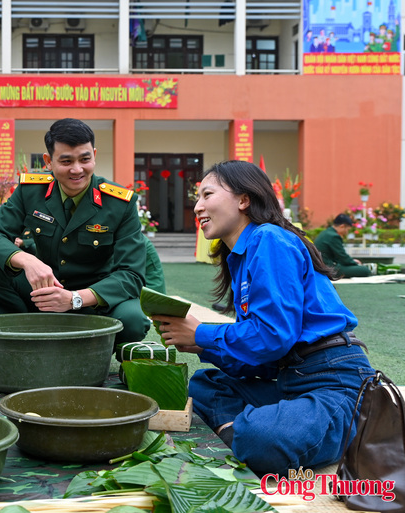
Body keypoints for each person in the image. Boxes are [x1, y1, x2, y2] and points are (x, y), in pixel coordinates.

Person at [154, 160, 374, 476]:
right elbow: (261, 358)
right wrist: (201, 346)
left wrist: (201, 334)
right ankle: (245, 432)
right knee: (203, 386)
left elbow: (273, 337)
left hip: (335, 383)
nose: (198, 206)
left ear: (244, 200)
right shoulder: (239, 256)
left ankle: (258, 435)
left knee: (261, 438)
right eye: (197, 198)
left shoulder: (268, 238)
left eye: (207, 194)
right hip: (290, 377)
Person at [0, 118, 151, 344]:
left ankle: (93, 351)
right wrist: (28, 261)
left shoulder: (120, 203)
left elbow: (132, 274)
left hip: (94, 298)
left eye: (85, 159)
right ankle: (25, 336)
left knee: (133, 319)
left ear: (94, 155)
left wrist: (75, 299)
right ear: (48, 161)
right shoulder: (31, 191)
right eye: (66, 161)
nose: (77, 170)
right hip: (42, 293)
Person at [314, 214, 371, 278]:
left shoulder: (326, 233)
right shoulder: (333, 236)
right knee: (365, 270)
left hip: (321, 266)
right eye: (347, 230)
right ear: (342, 226)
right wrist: (355, 264)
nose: (347, 232)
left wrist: (351, 262)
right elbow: (342, 257)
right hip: (328, 269)